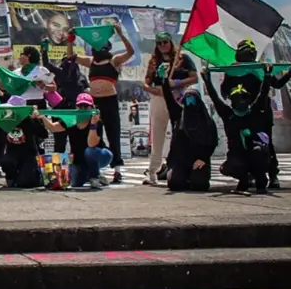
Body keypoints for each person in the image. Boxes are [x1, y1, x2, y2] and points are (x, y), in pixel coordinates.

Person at [219, 39, 291, 190]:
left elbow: (277, 84)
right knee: (242, 144)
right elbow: (224, 91)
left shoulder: (259, 68)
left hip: (260, 112)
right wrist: (237, 98)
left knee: (264, 143)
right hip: (241, 113)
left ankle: (272, 174)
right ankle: (246, 174)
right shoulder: (232, 69)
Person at [72, 23, 134, 184]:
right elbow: (72, 57)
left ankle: (118, 169)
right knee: (91, 133)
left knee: (113, 133)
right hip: (94, 102)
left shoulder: (114, 60)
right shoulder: (91, 61)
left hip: (109, 100)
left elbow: (131, 52)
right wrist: (70, 40)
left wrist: (120, 33)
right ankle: (94, 168)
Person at [202, 65, 273, 195]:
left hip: (254, 150)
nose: (240, 101)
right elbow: (215, 98)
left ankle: (261, 180)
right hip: (237, 153)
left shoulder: (254, 111)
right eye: (237, 98)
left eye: (243, 98)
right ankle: (244, 179)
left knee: (259, 154)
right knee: (228, 167)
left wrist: (267, 76)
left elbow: (263, 94)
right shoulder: (228, 114)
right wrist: (207, 80)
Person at [142, 32, 198, 185]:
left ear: (171, 43)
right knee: (157, 134)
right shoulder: (154, 61)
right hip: (160, 97)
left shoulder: (182, 58)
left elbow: (195, 77)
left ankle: (181, 167)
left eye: (165, 42)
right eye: (159, 43)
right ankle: (153, 171)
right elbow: (146, 82)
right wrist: (153, 90)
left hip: (178, 96)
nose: (162, 46)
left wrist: (177, 83)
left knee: (180, 132)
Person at [40, 93, 112, 189]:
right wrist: (42, 117)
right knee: (75, 182)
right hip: (79, 160)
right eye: (80, 106)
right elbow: (53, 128)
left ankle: (95, 176)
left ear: (92, 107)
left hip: (100, 155)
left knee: (89, 151)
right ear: (76, 107)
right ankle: (89, 175)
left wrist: (93, 125)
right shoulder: (71, 120)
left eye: (86, 106)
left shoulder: (96, 121)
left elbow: (91, 144)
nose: (83, 109)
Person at [160, 81, 217, 192]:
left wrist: (203, 159)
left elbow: (212, 143)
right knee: (175, 183)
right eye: (187, 99)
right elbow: (168, 97)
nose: (190, 103)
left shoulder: (207, 121)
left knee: (199, 185)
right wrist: (164, 80)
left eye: (193, 99)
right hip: (180, 160)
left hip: (199, 160)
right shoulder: (178, 115)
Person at [40, 38, 87, 155]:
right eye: (66, 61)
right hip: (61, 110)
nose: (69, 64)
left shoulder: (81, 78)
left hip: (75, 112)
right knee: (60, 142)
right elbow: (47, 65)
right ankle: (59, 168)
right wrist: (44, 50)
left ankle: (76, 167)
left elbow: (87, 94)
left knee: (76, 142)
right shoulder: (61, 73)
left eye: (71, 61)